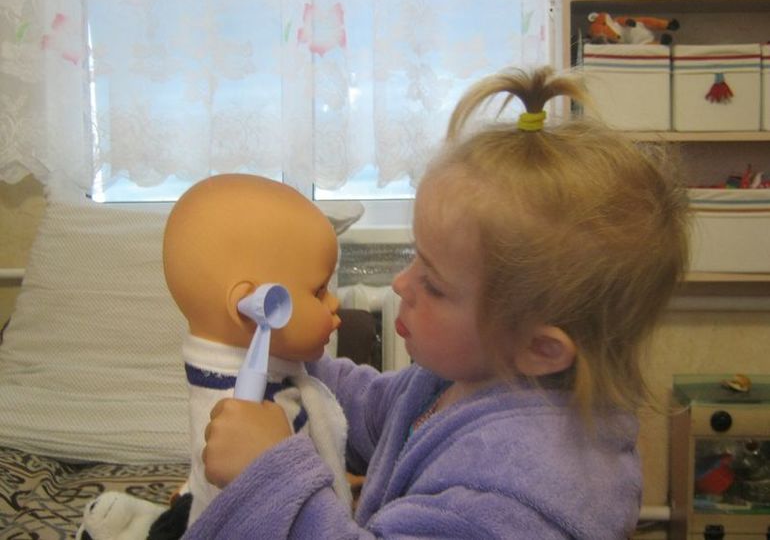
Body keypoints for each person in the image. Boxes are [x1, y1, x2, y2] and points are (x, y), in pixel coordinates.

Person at [186, 67, 690, 539]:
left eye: (434, 284)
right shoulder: (465, 379)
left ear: (539, 348)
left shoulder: (521, 484)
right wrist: (291, 350)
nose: (401, 284)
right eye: (414, 258)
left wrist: (270, 475)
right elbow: (374, 410)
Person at [77, 174, 351, 540]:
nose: (335, 302)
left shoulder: (275, 377)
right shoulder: (241, 408)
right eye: (318, 292)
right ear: (252, 307)